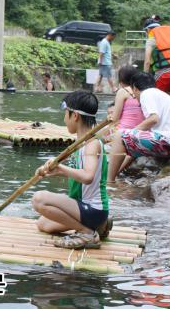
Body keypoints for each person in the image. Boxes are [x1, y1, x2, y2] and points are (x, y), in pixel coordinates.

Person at [32, 90, 110, 249]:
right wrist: (55, 171)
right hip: (84, 208)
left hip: (92, 208)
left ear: (75, 116)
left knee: (38, 199)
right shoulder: (80, 143)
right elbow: (75, 173)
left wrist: (61, 168)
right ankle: (100, 226)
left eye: (65, 114)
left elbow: (87, 176)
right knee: (43, 224)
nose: (64, 119)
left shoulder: (91, 144)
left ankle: (87, 233)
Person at [108, 72, 170, 181]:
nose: (135, 97)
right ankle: (114, 176)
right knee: (127, 138)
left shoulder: (146, 94)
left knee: (119, 135)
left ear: (135, 88)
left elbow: (153, 119)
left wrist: (130, 132)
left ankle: (109, 181)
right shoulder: (159, 94)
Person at [142, 17, 170, 98]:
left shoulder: (151, 40)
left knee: (155, 99)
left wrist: (144, 78)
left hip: (163, 76)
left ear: (148, 30)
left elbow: (147, 62)